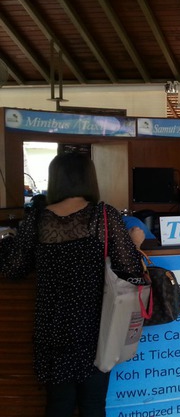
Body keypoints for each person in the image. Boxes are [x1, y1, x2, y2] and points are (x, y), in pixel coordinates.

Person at [0, 152, 144, 417]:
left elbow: (13, 269)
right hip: (95, 327)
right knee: (93, 405)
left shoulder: (38, 218)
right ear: (89, 179)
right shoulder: (104, 216)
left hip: (52, 328)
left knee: (58, 405)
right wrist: (134, 243)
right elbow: (130, 270)